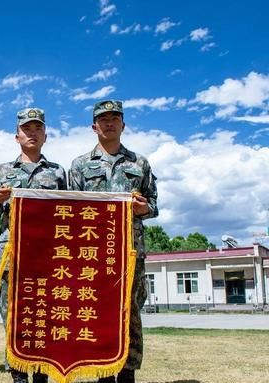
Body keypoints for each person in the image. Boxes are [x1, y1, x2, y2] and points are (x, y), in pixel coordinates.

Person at [68, 100, 158, 383]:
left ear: (123, 124)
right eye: (103, 119)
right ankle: (103, 371)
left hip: (130, 251)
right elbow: (71, 209)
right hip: (94, 253)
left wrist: (145, 208)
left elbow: (153, 203)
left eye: (114, 118)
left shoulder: (139, 163)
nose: (109, 123)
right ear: (94, 126)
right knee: (97, 311)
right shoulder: (80, 165)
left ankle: (128, 372)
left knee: (130, 311)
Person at [0, 107, 67, 383]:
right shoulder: (3, 171)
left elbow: (72, 212)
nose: (32, 133)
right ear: (16, 136)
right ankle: (17, 374)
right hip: (12, 252)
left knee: (44, 311)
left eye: (37, 129)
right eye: (26, 129)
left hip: (47, 254)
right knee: (13, 313)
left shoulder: (58, 173)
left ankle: (42, 373)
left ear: (46, 135)